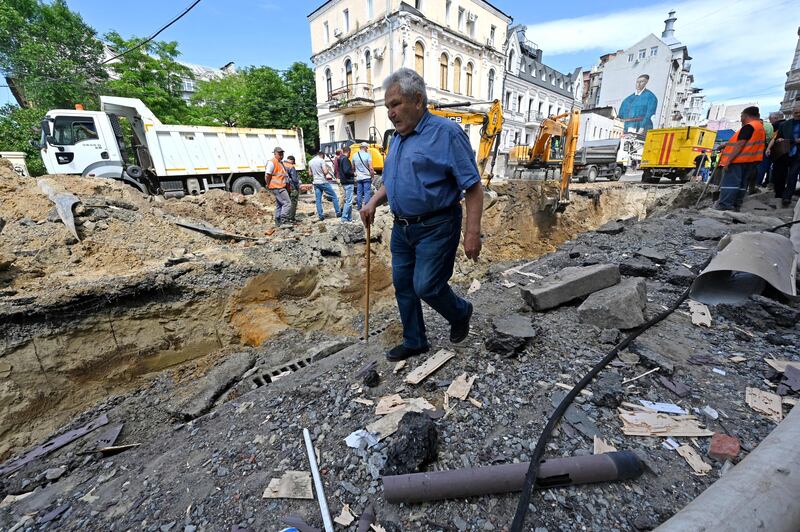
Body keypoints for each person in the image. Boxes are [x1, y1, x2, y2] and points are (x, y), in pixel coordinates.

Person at [359, 68, 482, 362]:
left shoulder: (447, 134)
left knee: (426, 285)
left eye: (396, 104)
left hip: (437, 225)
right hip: (402, 229)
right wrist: (373, 202)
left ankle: (460, 311)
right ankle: (415, 340)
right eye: (388, 106)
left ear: (417, 100)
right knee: (404, 286)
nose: (390, 113)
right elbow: (394, 180)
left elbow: (473, 187)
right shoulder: (398, 139)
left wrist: (472, 233)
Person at [716, 106, 765, 211]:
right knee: (742, 185)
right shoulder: (759, 127)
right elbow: (748, 142)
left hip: (738, 161)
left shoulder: (749, 126)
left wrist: (728, 161)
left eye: (741, 116)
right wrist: (726, 145)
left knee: (730, 184)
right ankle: (736, 205)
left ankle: (725, 206)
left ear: (746, 116)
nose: (740, 119)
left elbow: (740, 144)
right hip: (750, 161)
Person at [767, 106, 800, 207]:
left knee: (793, 175)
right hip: (784, 152)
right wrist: (774, 144)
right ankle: (779, 194)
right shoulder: (785, 124)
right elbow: (777, 137)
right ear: (792, 112)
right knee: (780, 174)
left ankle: (787, 197)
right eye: (796, 112)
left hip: (798, 154)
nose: (798, 114)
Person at [308, 151, 341, 220]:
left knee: (318, 200)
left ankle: (321, 216)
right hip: (323, 181)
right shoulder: (321, 161)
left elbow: (310, 174)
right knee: (334, 196)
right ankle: (338, 212)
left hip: (315, 182)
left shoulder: (310, 161)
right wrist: (327, 170)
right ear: (322, 155)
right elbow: (325, 172)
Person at [265, 146, 292, 226]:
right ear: (275, 154)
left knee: (279, 204)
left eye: (282, 153)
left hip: (279, 186)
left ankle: (278, 221)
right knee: (287, 203)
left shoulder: (280, 162)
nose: (281, 155)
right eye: (279, 153)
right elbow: (267, 175)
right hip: (277, 187)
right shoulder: (272, 162)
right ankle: (284, 220)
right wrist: (268, 184)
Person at [353, 142, 375, 209]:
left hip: (359, 177)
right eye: (367, 148)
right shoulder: (367, 155)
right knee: (367, 192)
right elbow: (371, 168)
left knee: (359, 192)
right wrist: (372, 176)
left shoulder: (354, 155)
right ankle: (366, 206)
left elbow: (353, 167)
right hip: (366, 177)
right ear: (365, 147)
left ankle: (359, 207)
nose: (367, 149)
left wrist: (356, 173)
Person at [337, 149, 356, 222]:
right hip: (348, 182)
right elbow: (346, 171)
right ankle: (344, 218)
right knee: (349, 201)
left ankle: (349, 218)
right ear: (348, 152)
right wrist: (353, 173)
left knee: (348, 201)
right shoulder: (345, 159)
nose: (350, 154)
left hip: (344, 181)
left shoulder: (340, 159)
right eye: (350, 153)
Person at [284, 155, 301, 223]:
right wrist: (298, 187)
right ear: (292, 161)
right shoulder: (291, 166)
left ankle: (285, 218)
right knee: (293, 202)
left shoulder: (281, 164)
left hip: (283, 186)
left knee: (285, 203)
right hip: (291, 187)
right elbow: (294, 179)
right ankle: (291, 218)